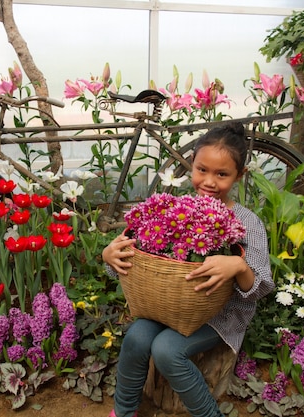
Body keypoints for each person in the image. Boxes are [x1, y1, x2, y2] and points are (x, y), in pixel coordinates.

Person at [102, 122, 274, 417]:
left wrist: (237, 264)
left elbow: (259, 288)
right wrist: (109, 256)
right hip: (167, 306)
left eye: (222, 174)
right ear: (191, 166)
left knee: (168, 350)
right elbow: (137, 264)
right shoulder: (175, 211)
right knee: (137, 337)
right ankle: (123, 412)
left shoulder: (247, 221)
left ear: (239, 176)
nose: (209, 181)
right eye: (201, 169)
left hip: (221, 315)